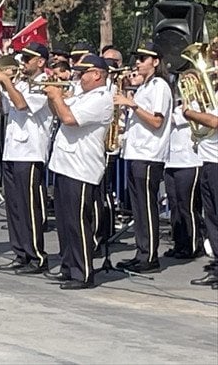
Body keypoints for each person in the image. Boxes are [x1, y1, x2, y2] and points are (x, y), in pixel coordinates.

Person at [45, 53, 113, 290]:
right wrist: (52, 97)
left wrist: (57, 97)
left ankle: (82, 272)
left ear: (97, 75)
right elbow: (58, 114)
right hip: (65, 164)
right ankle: (68, 267)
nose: (78, 77)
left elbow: (69, 118)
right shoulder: (83, 95)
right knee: (64, 223)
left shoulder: (102, 98)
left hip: (82, 168)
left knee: (77, 223)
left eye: (82, 73)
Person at [0, 42, 52, 274]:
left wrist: (7, 81)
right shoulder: (21, 84)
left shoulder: (44, 83)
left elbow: (22, 104)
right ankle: (20, 253)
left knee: (29, 207)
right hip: (12, 151)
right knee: (14, 206)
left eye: (28, 59)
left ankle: (36, 255)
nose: (23, 63)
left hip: (31, 152)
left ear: (41, 62)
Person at [113, 41, 172, 273]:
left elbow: (157, 121)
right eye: (137, 58)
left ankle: (149, 257)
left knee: (147, 207)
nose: (137, 63)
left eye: (142, 59)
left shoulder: (159, 85)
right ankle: (141, 252)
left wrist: (133, 105)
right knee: (138, 207)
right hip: (136, 152)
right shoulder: (145, 86)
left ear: (155, 62)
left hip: (149, 154)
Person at [163, 93, 203, 260]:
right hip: (171, 161)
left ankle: (193, 244)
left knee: (187, 206)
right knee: (175, 206)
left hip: (189, 161)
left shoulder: (194, 105)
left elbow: (172, 119)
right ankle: (179, 243)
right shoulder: (174, 106)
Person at [182, 103, 218, 288]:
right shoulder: (211, 96)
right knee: (211, 219)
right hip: (208, 160)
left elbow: (214, 121)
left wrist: (189, 113)